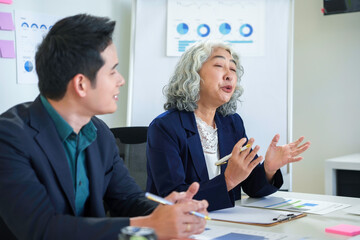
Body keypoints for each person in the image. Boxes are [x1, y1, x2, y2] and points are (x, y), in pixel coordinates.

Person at [0, 14, 208, 240]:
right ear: (81, 84)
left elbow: (128, 200)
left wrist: (167, 211)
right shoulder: (9, 138)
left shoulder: (99, 133)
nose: (121, 80)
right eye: (112, 71)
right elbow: (40, 229)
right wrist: (151, 225)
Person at [146, 41, 311, 211]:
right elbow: (175, 199)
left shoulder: (232, 122)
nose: (229, 75)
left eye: (233, 69)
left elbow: (253, 187)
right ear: (193, 74)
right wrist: (228, 181)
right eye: (219, 65)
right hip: (183, 227)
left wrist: (269, 169)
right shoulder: (165, 127)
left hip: (227, 223)